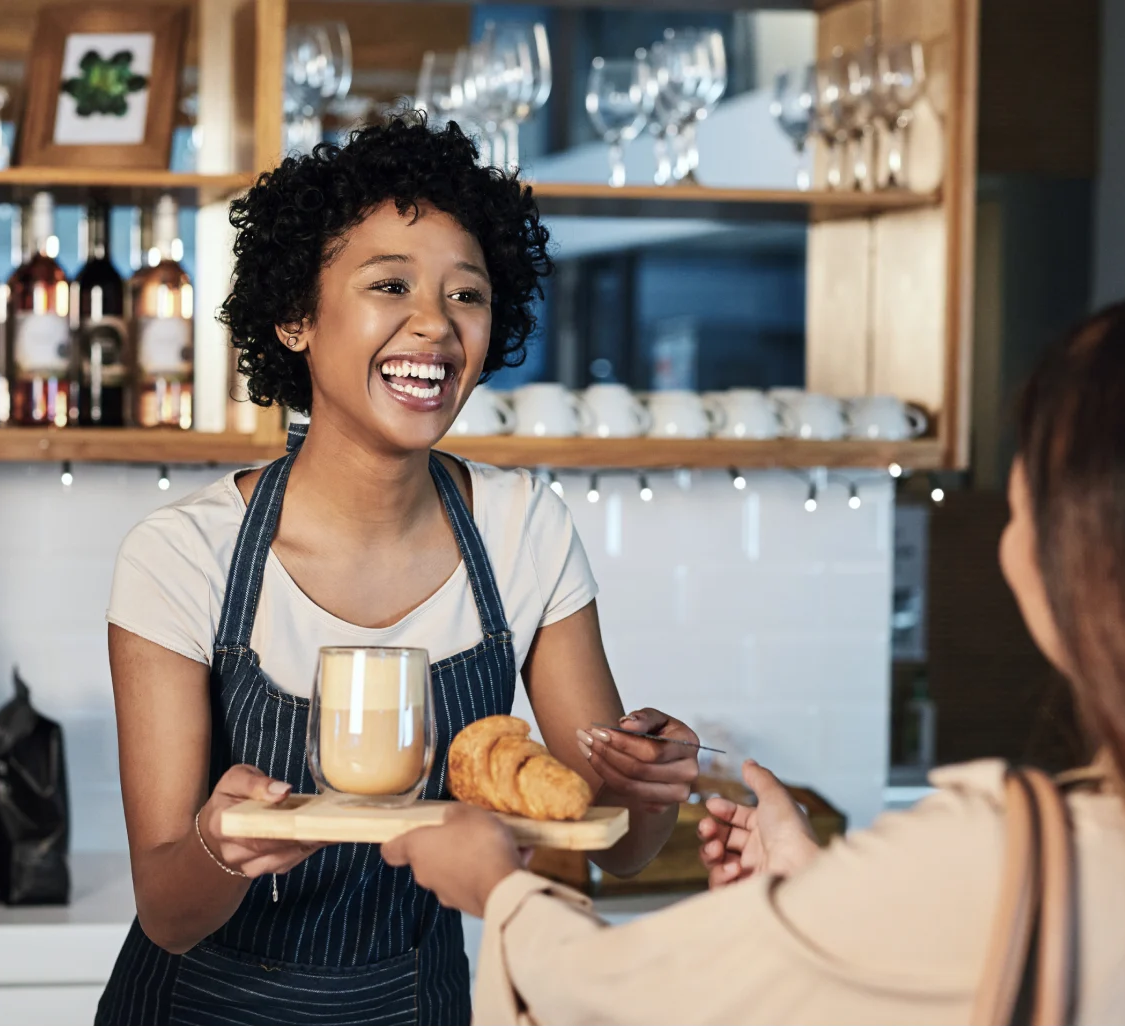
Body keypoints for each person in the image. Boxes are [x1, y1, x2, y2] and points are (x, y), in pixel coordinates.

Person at [383, 290, 1125, 1026]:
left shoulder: (1009, 854)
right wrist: (823, 899)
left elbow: (628, 999)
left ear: (1096, 562)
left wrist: (501, 890)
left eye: (1030, 488)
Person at [94, 114, 700, 1027]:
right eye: (389, 285)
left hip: (416, 1005)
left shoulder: (522, 528)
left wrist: (649, 785)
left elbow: (609, 841)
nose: (436, 326)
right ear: (295, 316)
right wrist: (222, 847)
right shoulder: (185, 555)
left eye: (468, 295)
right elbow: (169, 912)